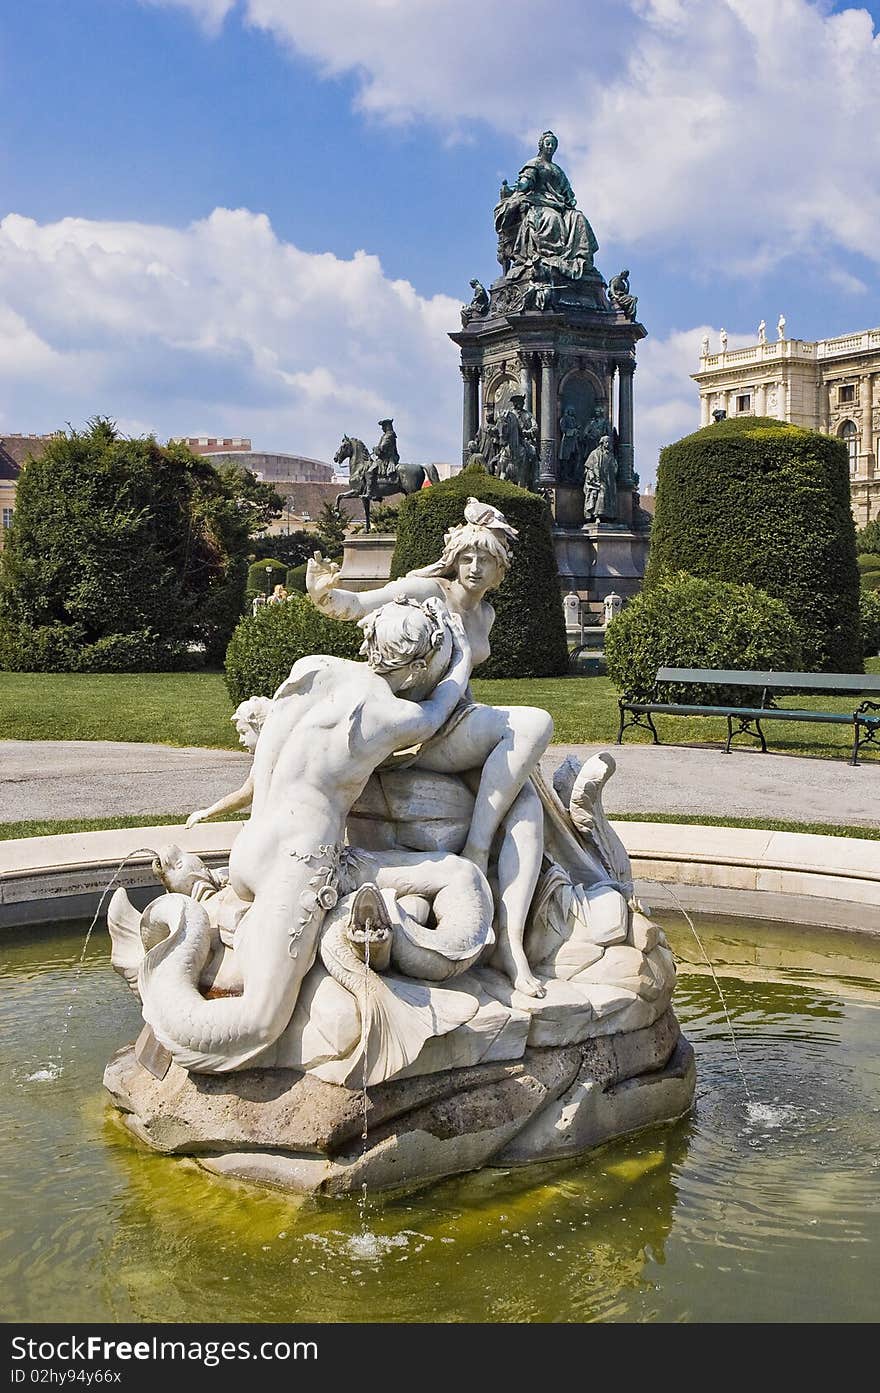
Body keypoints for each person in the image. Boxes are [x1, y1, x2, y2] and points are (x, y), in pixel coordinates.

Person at [307, 498, 553, 996]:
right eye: (468, 557)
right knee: (534, 723)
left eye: (486, 559)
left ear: (500, 569)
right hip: (413, 729)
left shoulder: (484, 615)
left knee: (526, 804)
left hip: (452, 722)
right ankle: (477, 849)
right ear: (454, 556)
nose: (475, 567)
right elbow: (358, 606)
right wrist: (325, 597)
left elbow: (463, 688)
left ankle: (510, 944)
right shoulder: (425, 590)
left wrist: (483, 738)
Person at [494, 131, 598, 285]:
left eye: (553, 144)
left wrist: (569, 199)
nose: (550, 147)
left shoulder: (557, 170)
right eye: (547, 143)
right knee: (552, 218)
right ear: (541, 145)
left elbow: (566, 192)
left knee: (578, 218)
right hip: (538, 202)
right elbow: (525, 182)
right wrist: (520, 185)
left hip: (558, 204)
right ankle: (546, 256)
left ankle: (580, 260)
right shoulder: (534, 164)